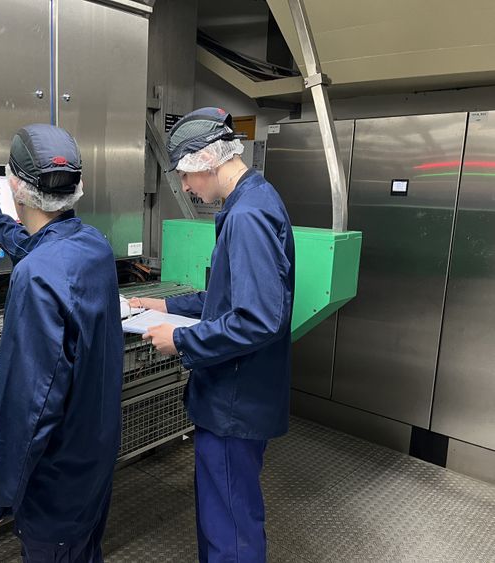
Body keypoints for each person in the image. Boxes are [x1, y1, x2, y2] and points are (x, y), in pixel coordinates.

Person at [130, 107, 295, 563]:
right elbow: (230, 296)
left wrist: (181, 341)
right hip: (242, 395)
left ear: (207, 160)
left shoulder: (248, 217)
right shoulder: (255, 199)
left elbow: (258, 318)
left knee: (231, 529)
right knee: (225, 514)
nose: (185, 186)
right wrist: (166, 307)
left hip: (233, 404)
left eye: (186, 174)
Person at [0, 124, 124, 563]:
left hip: (55, 486)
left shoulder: (35, 278)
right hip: (92, 464)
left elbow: (28, 408)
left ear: (15, 189)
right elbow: (42, 249)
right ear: (78, 186)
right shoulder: (93, 246)